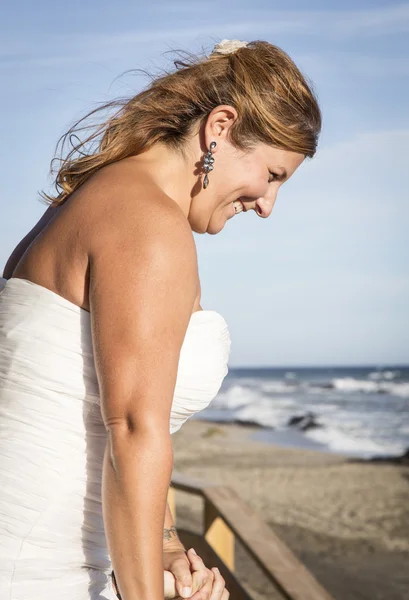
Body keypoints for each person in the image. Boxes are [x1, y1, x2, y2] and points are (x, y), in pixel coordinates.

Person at [0, 38, 321, 600]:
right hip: (39, 573)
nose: (268, 205)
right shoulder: (147, 225)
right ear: (220, 127)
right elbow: (132, 434)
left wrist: (167, 543)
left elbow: (118, 422)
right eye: (272, 174)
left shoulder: (88, 202)